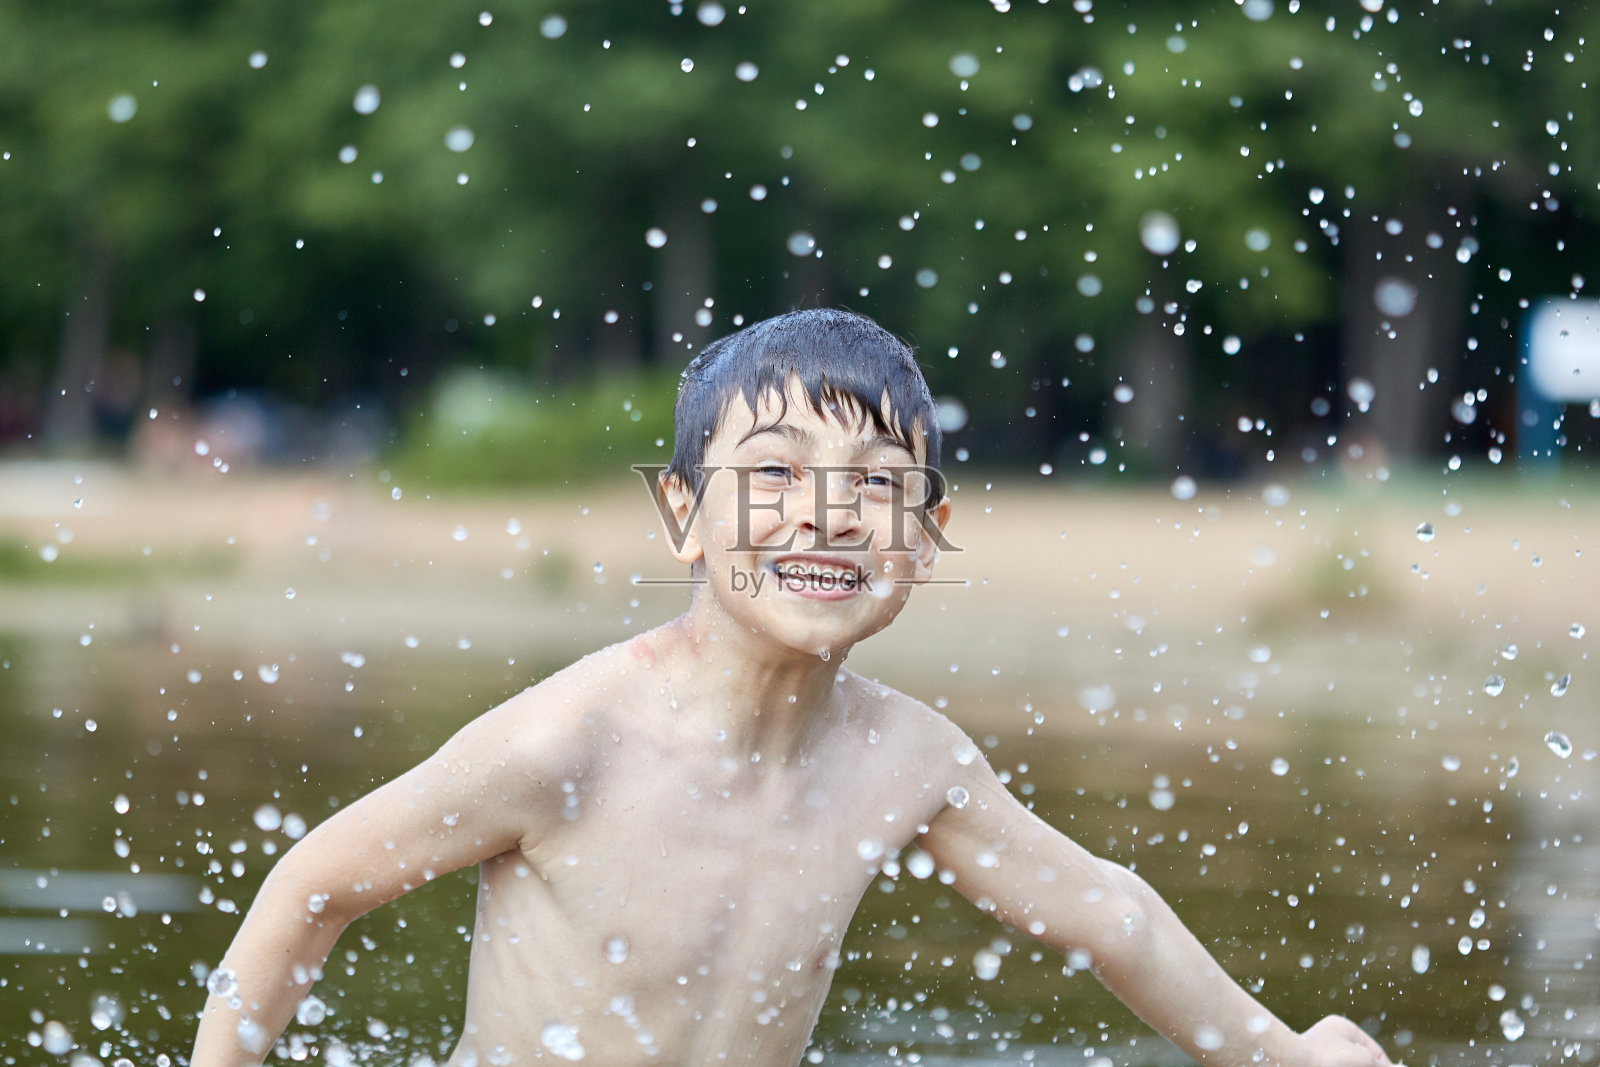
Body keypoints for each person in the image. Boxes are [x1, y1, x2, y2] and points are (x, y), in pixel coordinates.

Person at [191, 309, 1396, 1067]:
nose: (825, 513)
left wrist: (1279, 1050)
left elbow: (1104, 911)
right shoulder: (569, 743)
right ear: (683, 514)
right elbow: (312, 885)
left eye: (876, 483)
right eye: (771, 473)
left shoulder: (904, 761)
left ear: (925, 536)